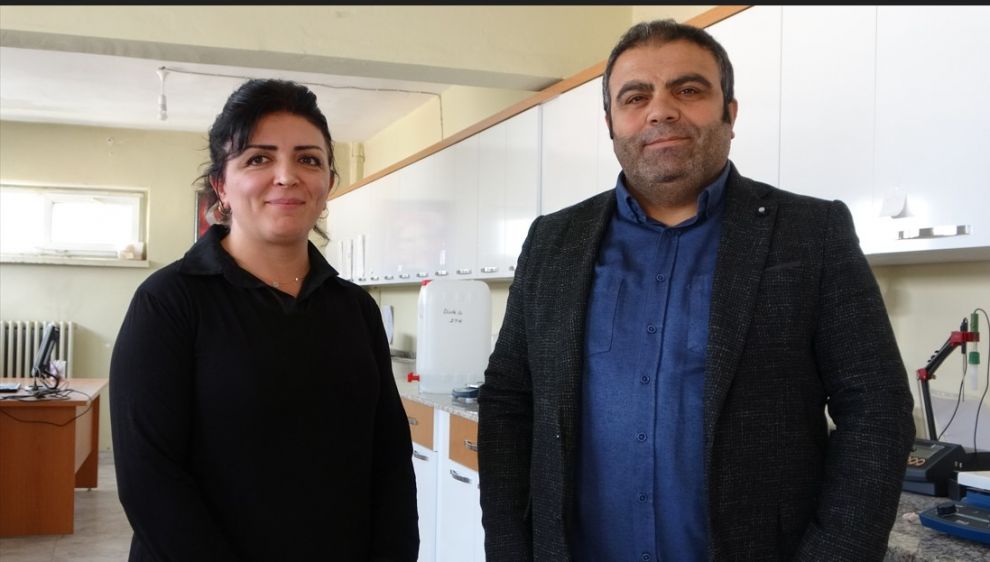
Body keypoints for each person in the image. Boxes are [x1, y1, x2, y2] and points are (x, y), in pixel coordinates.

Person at [478, 18, 915, 562]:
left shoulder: (811, 233)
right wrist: (507, 546)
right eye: (635, 97)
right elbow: (508, 400)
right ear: (611, 123)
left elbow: (876, 407)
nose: (660, 111)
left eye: (688, 90)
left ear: (730, 113)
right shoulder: (553, 241)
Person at [109, 79, 418, 561]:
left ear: (328, 184)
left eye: (308, 159)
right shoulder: (169, 302)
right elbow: (150, 480)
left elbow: (390, 458)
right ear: (221, 186)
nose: (287, 176)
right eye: (258, 159)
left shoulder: (355, 308)